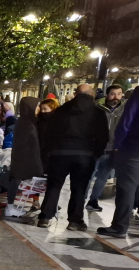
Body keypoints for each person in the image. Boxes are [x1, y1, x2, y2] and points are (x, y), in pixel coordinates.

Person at [37, 84, 109, 231]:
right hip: (84, 155)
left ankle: (45, 217)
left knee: (54, 186)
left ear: (75, 94)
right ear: (92, 95)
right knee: (79, 188)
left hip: (59, 154)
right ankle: (75, 221)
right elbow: (103, 136)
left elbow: (49, 133)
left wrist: (50, 151)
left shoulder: (61, 110)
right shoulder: (97, 112)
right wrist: (96, 154)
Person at [98, 86, 139, 238]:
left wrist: (118, 144)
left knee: (127, 188)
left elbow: (128, 119)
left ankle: (120, 226)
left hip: (133, 148)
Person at [85, 84, 126, 212]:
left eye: (119, 94)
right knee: (88, 176)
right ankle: (81, 199)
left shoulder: (124, 109)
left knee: (103, 177)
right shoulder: (97, 107)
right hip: (96, 149)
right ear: (107, 95)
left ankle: (93, 200)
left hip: (113, 149)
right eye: (113, 94)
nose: (116, 97)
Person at [4, 97, 45, 217]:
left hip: (21, 160)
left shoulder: (26, 122)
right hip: (23, 161)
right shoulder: (27, 124)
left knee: (16, 181)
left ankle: (10, 207)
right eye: (37, 106)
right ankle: (10, 207)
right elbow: (29, 146)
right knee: (16, 182)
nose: (38, 109)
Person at [37, 98, 59, 173]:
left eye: (45, 109)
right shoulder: (39, 121)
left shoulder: (56, 122)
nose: (42, 111)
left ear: (52, 108)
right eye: (41, 109)